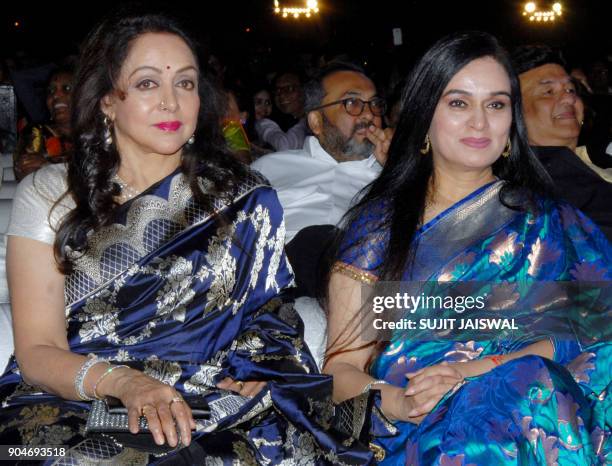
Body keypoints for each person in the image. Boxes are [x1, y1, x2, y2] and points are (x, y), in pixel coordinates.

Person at [0, 12, 376, 464]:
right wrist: (126, 383)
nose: (171, 102)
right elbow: (38, 350)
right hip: (83, 397)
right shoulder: (52, 193)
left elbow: (268, 312)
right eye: (146, 84)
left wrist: (261, 366)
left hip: (210, 399)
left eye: (185, 83)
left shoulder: (240, 196)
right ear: (106, 101)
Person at [324, 31, 611, 465]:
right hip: (417, 424)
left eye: (496, 105)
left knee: (528, 383)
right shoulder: (380, 229)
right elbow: (340, 369)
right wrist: (402, 402)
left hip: (539, 405)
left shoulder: (549, 221)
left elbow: (591, 332)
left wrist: (472, 372)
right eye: (458, 103)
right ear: (424, 117)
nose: (480, 122)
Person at [511, 45, 612, 239]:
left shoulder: (597, 155)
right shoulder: (535, 190)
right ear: (513, 114)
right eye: (548, 91)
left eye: (571, 89)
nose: (568, 97)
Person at [13, 66, 74, 181]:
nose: (55, 95)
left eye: (66, 88)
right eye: (51, 91)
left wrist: (47, 165)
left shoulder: (100, 133)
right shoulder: (37, 133)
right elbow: (27, 174)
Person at [254, 71, 310, 151]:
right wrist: (306, 118)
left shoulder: (323, 114)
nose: (282, 95)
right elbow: (285, 146)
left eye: (289, 88)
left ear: (304, 90)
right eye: (278, 90)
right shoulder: (267, 123)